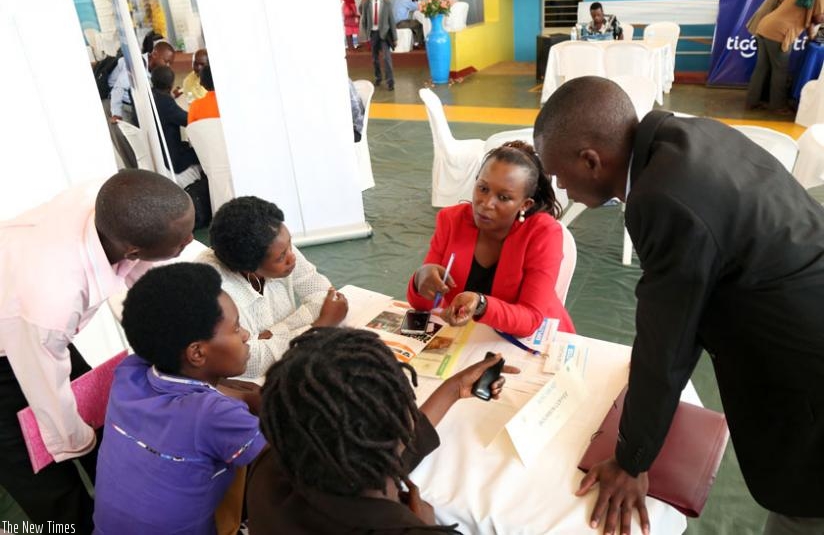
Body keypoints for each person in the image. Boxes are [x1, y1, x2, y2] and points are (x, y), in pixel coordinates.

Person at [534, 76, 824, 535]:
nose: (561, 189)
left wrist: (631, 461)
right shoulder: (689, 134)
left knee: (803, 508)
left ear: (591, 161)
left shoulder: (661, 198)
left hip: (808, 372)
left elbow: (666, 343)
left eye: (559, 175)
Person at [0, 170, 195, 532]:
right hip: (15, 335)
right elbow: (46, 390)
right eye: (182, 240)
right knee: (47, 482)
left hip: (26, 320)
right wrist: (77, 440)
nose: (189, 240)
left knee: (101, 421)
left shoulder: (114, 201)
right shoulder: (52, 299)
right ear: (133, 249)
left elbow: (143, 281)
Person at [247, 326, 518, 533]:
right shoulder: (403, 526)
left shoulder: (272, 469)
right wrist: (423, 525)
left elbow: (368, 451)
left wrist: (453, 390)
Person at [93, 263, 267, 534]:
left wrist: (242, 396)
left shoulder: (130, 373)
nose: (245, 335)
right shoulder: (215, 415)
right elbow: (285, 457)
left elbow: (206, 400)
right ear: (197, 353)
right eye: (236, 329)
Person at [407, 141, 575, 338]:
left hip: (535, 342)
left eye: (503, 198)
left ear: (525, 204)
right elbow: (424, 305)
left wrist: (481, 304)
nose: (486, 204)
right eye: (483, 189)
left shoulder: (544, 233)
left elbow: (529, 320)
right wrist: (420, 279)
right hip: (472, 339)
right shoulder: (451, 220)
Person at [196, 196, 349, 379]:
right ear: (249, 266)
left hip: (293, 361)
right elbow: (250, 360)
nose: (292, 257)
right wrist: (321, 326)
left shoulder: (277, 245)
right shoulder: (216, 289)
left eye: (290, 244)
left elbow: (323, 296)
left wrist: (276, 332)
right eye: (281, 257)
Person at [746, 0, 824, 113]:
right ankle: (777, 106)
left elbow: (805, 15)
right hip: (779, 32)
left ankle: (752, 102)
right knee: (780, 71)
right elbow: (817, 18)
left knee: (761, 68)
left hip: (764, 26)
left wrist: (811, 35)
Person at [151, 65, 200, 187]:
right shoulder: (166, 103)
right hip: (173, 161)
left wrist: (172, 96)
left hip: (159, 151)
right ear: (171, 85)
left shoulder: (152, 96)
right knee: (202, 151)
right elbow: (188, 120)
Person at [110, 40, 176, 125]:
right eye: (166, 61)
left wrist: (172, 95)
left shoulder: (154, 70)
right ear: (155, 54)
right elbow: (118, 89)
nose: (168, 66)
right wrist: (116, 113)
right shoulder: (135, 63)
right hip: (117, 104)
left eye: (170, 63)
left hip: (132, 105)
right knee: (127, 136)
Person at [361, 0, 397, 91]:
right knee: (374, 58)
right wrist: (366, 34)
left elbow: (391, 21)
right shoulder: (366, 3)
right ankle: (378, 77)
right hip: (373, 34)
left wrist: (395, 37)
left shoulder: (386, 3)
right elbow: (364, 20)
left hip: (384, 34)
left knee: (386, 58)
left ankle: (390, 82)